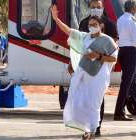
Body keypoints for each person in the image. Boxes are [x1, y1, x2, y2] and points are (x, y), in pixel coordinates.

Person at [51, 5, 118, 140]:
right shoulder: (85, 37)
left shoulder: (107, 40)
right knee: (81, 101)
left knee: (94, 104)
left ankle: (92, 131)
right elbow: (69, 31)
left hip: (98, 76)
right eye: (90, 24)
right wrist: (56, 19)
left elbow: (113, 58)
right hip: (84, 75)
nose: (91, 26)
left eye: (94, 24)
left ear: (101, 25)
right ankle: (86, 129)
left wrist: (98, 56)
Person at [114, 0, 136, 121]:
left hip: (122, 51)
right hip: (130, 52)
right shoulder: (132, 20)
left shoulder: (120, 19)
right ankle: (118, 112)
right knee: (127, 83)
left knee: (133, 83)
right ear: (133, 8)